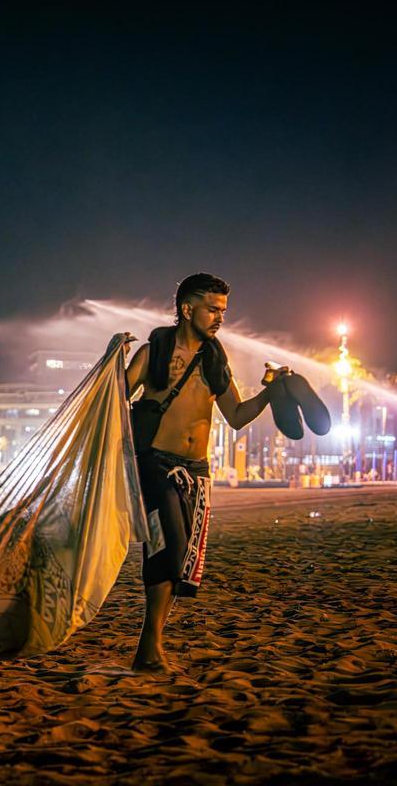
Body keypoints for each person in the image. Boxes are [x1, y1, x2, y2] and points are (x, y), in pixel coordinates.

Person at [124, 273, 279, 672]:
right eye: (212, 309)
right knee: (169, 547)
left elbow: (238, 415)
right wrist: (111, 363)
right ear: (186, 308)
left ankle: (149, 647)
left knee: (179, 560)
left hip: (198, 471)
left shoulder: (214, 359)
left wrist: (271, 392)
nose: (219, 318)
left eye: (223, 311)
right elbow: (115, 396)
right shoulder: (154, 351)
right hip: (155, 463)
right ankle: (150, 646)